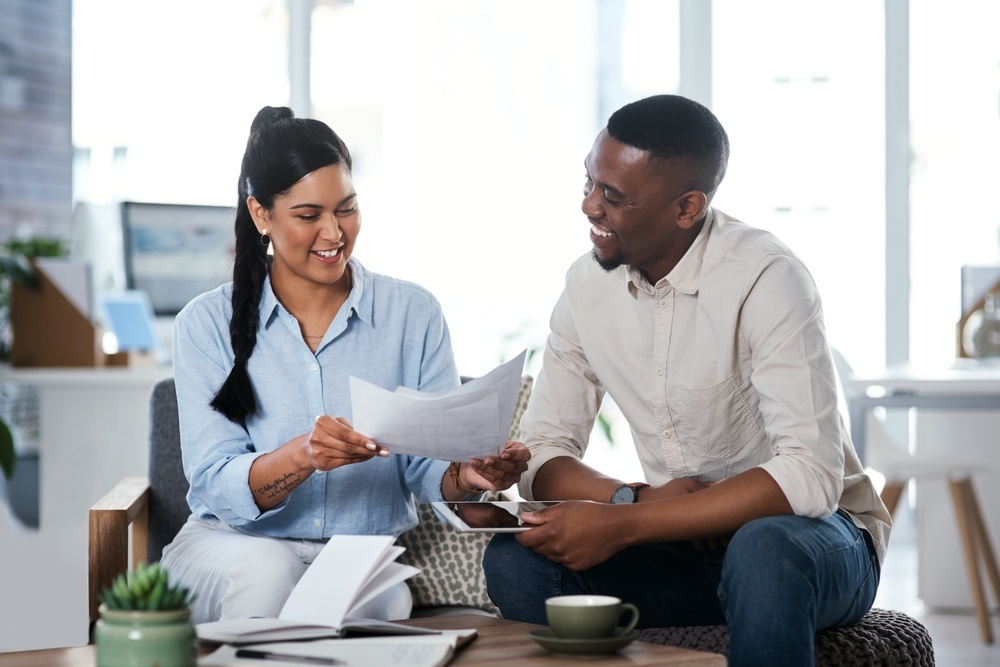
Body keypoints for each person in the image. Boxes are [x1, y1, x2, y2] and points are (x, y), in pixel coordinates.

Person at [482, 94, 891, 667]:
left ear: (687, 207)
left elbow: (810, 476)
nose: (589, 208)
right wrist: (633, 498)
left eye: (614, 197)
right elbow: (542, 452)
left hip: (814, 542)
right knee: (516, 564)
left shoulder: (766, 277)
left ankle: (757, 601)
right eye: (589, 183)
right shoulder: (584, 288)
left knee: (764, 550)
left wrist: (628, 523)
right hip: (682, 546)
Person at [161, 106, 529, 625]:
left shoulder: (412, 313)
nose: (334, 233)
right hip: (233, 545)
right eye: (309, 215)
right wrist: (302, 456)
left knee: (376, 600)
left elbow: (425, 468)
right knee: (267, 574)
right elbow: (215, 484)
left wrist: (465, 473)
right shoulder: (204, 323)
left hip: (358, 555)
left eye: (347, 209)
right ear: (261, 214)